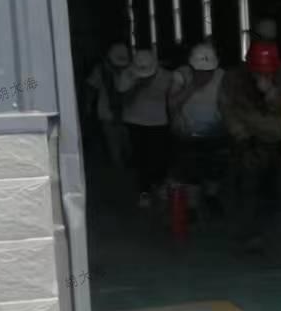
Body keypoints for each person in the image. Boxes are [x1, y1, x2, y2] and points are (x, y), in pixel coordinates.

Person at [221, 39, 281, 252]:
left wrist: (271, 93)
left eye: (268, 71)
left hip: (278, 139)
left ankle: (275, 233)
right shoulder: (233, 78)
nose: (263, 74)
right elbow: (226, 107)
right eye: (258, 71)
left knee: (278, 190)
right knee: (247, 186)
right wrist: (240, 134)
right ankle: (249, 233)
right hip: (248, 138)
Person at [167, 42, 229, 214]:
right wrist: (193, 86)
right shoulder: (181, 75)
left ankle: (211, 197)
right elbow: (171, 104)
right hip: (186, 134)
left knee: (215, 170)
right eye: (200, 71)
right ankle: (192, 207)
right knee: (190, 172)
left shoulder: (221, 75)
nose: (205, 75)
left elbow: (226, 104)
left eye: (208, 71)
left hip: (215, 132)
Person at [117, 47, 172, 207]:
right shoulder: (127, 75)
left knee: (160, 156)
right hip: (135, 122)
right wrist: (137, 86)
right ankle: (144, 190)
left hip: (159, 122)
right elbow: (123, 100)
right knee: (141, 158)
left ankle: (160, 184)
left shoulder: (166, 76)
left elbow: (172, 99)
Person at [85, 42, 131, 173]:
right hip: (108, 114)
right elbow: (91, 88)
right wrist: (88, 105)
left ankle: (128, 170)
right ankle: (120, 173)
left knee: (128, 145)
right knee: (114, 147)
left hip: (129, 114)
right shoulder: (100, 70)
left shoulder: (132, 69)